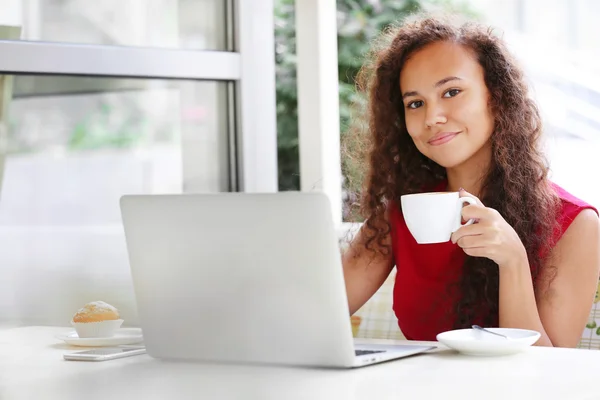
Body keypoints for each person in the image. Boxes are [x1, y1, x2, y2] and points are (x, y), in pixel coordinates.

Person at [342, 12, 600, 348]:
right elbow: (316, 312)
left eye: (451, 92)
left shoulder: (575, 224)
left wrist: (513, 261)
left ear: (496, 97)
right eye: (415, 103)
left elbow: (545, 375)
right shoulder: (401, 214)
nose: (432, 117)